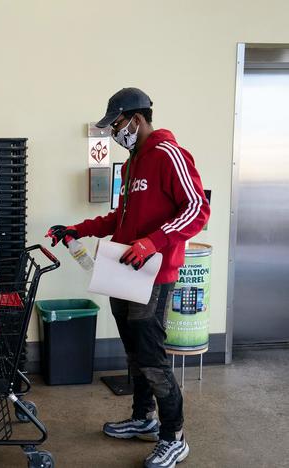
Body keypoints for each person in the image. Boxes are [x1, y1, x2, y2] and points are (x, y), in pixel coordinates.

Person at [47, 88, 210, 468]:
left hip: (153, 276)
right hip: (124, 273)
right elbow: (119, 219)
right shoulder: (132, 164)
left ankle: (174, 437)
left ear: (135, 119)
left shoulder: (170, 155)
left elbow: (198, 208)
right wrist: (78, 228)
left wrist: (153, 242)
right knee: (135, 356)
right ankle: (144, 419)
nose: (114, 133)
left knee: (153, 358)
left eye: (116, 124)